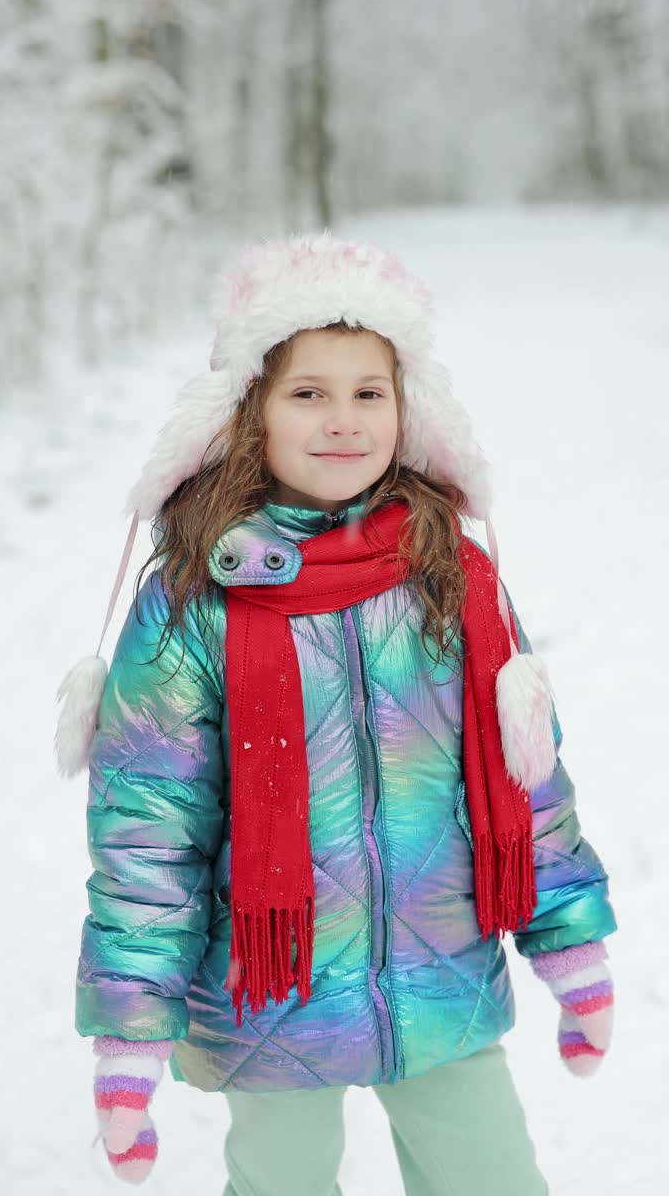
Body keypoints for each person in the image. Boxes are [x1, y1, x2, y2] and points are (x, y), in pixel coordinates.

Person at [56, 233, 617, 1194]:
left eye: (370, 394)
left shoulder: (456, 579)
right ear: (250, 414)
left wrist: (571, 942)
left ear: (408, 411)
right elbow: (147, 835)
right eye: (308, 393)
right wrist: (128, 1034)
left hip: (445, 980)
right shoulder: (196, 603)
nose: (343, 422)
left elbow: (530, 777)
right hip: (270, 994)